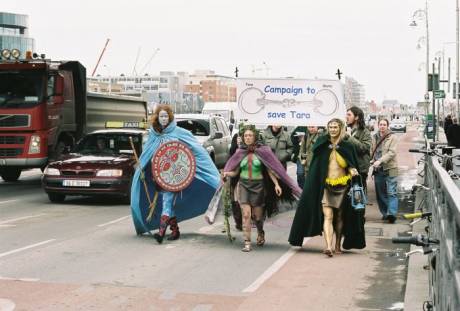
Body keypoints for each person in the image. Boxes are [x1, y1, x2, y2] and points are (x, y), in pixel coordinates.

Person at [130, 104, 220, 242]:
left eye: (166, 116)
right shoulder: (153, 134)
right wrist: (142, 169)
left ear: (170, 117)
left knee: (167, 200)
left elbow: (195, 150)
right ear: (157, 117)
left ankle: (161, 233)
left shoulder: (179, 132)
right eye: (161, 116)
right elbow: (147, 155)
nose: (164, 119)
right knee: (168, 201)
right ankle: (175, 231)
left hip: (176, 175)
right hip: (160, 175)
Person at [289, 118, 365, 257]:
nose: (332, 129)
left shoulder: (348, 146)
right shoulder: (322, 144)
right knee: (328, 216)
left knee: (340, 217)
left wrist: (352, 170)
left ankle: (337, 246)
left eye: (335, 127)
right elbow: (317, 166)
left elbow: (351, 163)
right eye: (330, 127)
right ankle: (328, 246)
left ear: (340, 127)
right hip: (326, 186)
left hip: (343, 186)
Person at [223, 125, 301, 252]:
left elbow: (270, 170)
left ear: (255, 137)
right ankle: (247, 242)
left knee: (258, 217)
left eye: (250, 136)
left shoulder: (262, 151)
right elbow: (235, 171)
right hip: (243, 186)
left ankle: (260, 231)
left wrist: (276, 184)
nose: (248, 138)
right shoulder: (240, 152)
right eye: (246, 136)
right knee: (246, 215)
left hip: (258, 187)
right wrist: (227, 174)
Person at [371, 119, 399, 224]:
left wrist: (380, 160)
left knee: (392, 192)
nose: (382, 126)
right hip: (378, 169)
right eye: (381, 124)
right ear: (378, 125)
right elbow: (372, 151)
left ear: (387, 126)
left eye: (384, 124)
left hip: (391, 167)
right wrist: (371, 159)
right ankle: (385, 213)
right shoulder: (374, 137)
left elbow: (392, 153)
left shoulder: (393, 137)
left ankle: (392, 214)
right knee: (380, 193)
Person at [345, 106, 372, 192]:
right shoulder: (345, 130)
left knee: (357, 198)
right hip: (345, 168)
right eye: (346, 115)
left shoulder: (365, 132)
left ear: (356, 117)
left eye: (349, 115)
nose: (346, 117)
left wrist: (350, 138)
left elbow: (364, 148)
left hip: (359, 170)